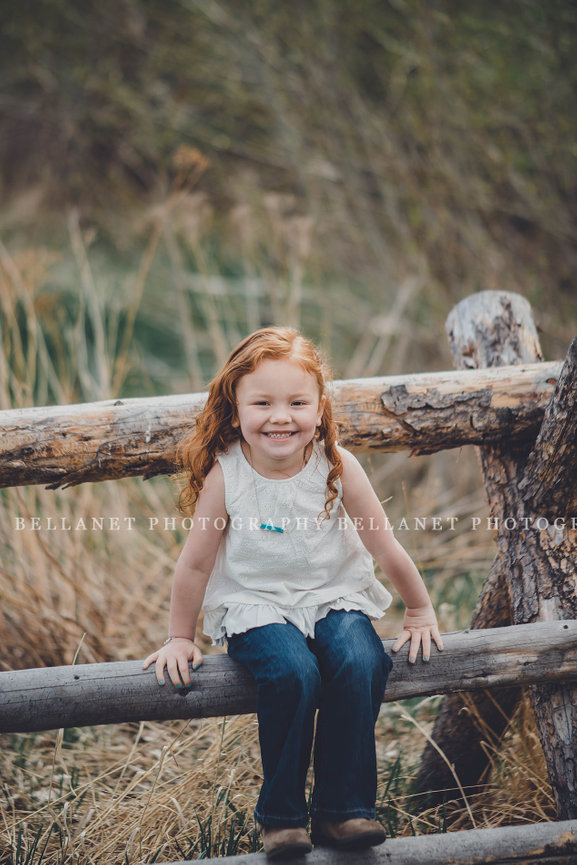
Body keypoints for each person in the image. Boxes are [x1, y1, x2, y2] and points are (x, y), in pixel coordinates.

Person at [143, 327, 443, 860]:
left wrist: (419, 608)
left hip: (333, 597)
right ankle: (281, 817)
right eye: (262, 403)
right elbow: (195, 564)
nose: (281, 416)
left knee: (361, 659)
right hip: (256, 606)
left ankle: (343, 809)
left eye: (297, 402)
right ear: (235, 412)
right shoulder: (227, 475)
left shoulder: (337, 465)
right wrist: (179, 637)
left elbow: (383, 544)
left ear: (319, 408)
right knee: (293, 673)